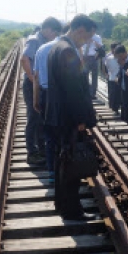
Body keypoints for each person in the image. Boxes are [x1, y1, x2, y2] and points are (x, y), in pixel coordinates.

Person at [45, 14, 98, 221]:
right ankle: (72, 210)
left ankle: (62, 204)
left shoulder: (55, 47)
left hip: (57, 116)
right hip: (68, 118)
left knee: (62, 162)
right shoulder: (67, 51)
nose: (86, 41)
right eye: (87, 37)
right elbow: (74, 90)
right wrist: (81, 120)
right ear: (80, 30)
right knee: (71, 164)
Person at [21, 17, 62, 165]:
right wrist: (33, 80)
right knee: (33, 117)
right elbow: (24, 59)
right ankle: (32, 153)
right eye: (54, 32)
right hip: (32, 84)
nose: (55, 35)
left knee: (40, 118)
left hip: (38, 84)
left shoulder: (43, 41)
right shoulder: (34, 40)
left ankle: (41, 149)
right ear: (47, 29)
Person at [32, 24, 70, 178]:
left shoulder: (42, 49)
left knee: (49, 135)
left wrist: (35, 99)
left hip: (46, 95)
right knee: (66, 133)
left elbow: (36, 77)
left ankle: (51, 170)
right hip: (64, 96)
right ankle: (66, 169)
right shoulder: (68, 49)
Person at [81, 27, 103, 98]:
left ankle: (93, 93)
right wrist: (88, 43)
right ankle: (86, 92)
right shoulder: (84, 36)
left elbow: (100, 48)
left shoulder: (97, 37)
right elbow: (83, 49)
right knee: (85, 75)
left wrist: (94, 42)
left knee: (95, 76)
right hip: (86, 57)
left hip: (94, 57)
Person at [103, 42, 122, 113]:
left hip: (119, 80)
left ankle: (116, 109)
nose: (114, 51)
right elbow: (105, 67)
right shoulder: (109, 58)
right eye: (113, 49)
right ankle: (112, 109)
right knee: (112, 95)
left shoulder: (121, 58)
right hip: (111, 79)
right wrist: (106, 74)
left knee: (118, 96)